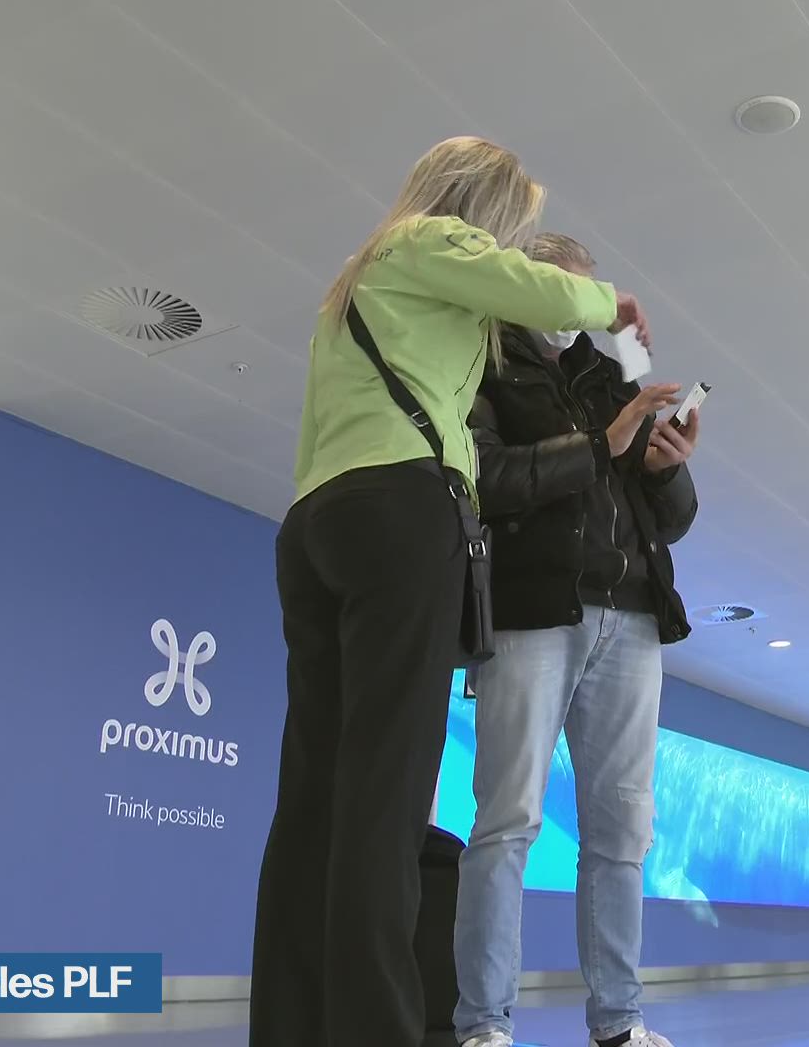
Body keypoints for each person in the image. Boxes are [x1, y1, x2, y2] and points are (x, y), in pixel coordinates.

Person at [251, 137, 650, 1047]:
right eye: (511, 225)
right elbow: (542, 292)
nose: (510, 243)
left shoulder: (354, 286)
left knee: (314, 798)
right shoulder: (430, 239)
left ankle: (290, 1027)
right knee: (385, 800)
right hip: (401, 518)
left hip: (316, 525)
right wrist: (613, 305)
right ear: (486, 208)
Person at [454, 233, 699, 1047]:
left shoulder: (610, 378)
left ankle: (619, 1024)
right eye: (563, 289)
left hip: (633, 616)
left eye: (587, 293)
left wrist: (665, 466)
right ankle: (484, 1024)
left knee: (623, 832)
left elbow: (673, 519)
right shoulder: (482, 364)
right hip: (532, 611)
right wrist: (602, 445)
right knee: (507, 820)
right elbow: (485, 479)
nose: (577, 309)